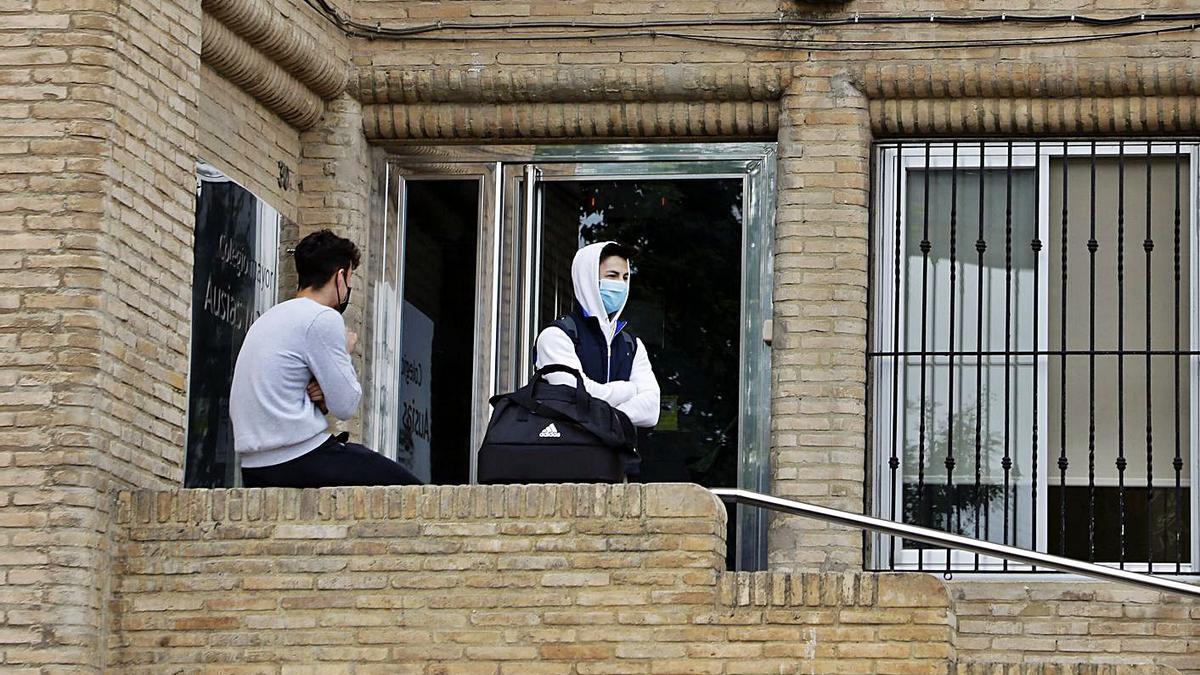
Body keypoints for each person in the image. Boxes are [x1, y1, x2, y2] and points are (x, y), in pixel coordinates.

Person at [230, 229, 421, 487]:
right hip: (299, 459)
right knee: (412, 490)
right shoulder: (323, 318)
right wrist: (344, 349)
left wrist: (322, 388)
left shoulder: (268, 318)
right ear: (340, 276)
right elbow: (346, 404)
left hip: (253, 467)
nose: (349, 288)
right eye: (350, 278)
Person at [535, 241, 660, 445]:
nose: (621, 284)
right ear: (588, 279)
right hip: (565, 461)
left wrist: (601, 415)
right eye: (612, 276)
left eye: (625, 277)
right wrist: (628, 390)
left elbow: (651, 410)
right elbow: (573, 399)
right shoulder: (557, 336)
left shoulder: (631, 344)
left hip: (620, 465)